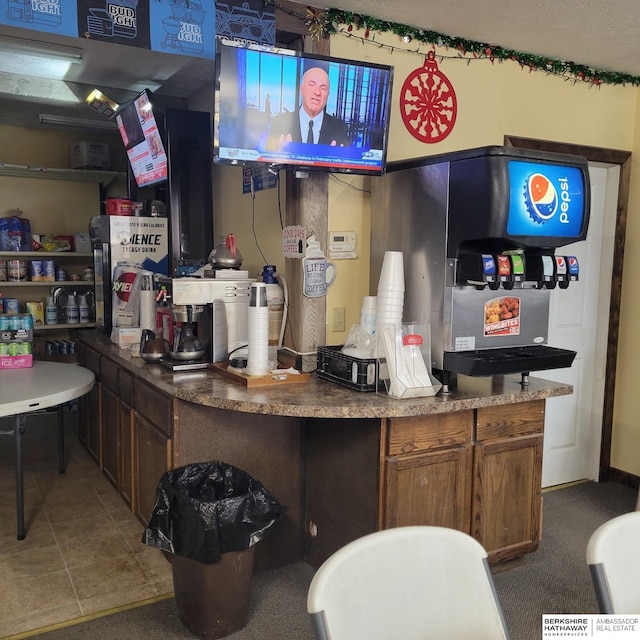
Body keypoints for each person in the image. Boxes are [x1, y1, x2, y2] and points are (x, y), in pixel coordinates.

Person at [267, 66, 350, 150]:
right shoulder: (278, 123)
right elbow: (264, 161)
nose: (317, 92)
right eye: (312, 85)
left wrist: (337, 161)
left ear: (328, 94)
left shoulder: (340, 128)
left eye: (323, 88)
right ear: (301, 88)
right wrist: (277, 157)